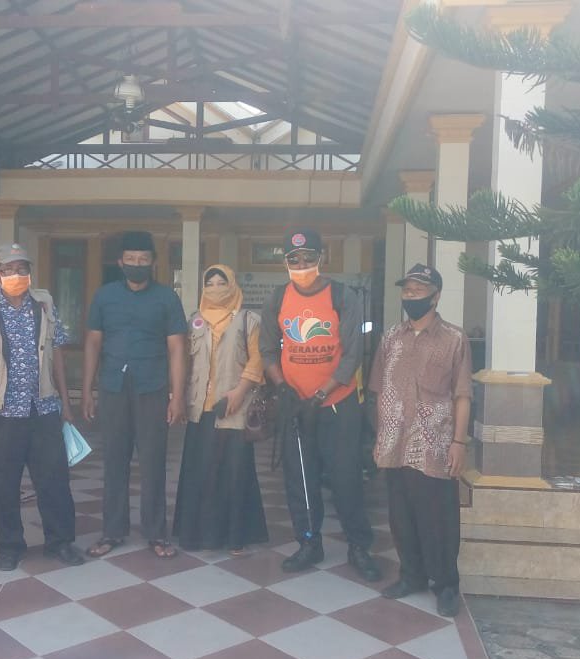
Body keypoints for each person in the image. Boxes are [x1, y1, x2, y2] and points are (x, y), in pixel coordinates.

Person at [259, 228, 380, 581]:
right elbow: (267, 350)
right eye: (294, 259)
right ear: (286, 262)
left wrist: (322, 395)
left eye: (308, 258)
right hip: (295, 406)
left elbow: (353, 355)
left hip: (337, 404)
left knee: (345, 478)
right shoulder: (277, 298)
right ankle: (309, 543)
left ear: (320, 258)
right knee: (300, 478)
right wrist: (282, 387)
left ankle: (359, 546)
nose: (301, 265)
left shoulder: (342, 296)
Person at [0, 243, 85, 570]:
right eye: (8, 269)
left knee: (54, 481)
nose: (16, 275)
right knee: (3, 483)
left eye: (22, 268)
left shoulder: (44, 304)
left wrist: (66, 404)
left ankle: (60, 542)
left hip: (43, 408)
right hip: (1, 412)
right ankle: (10, 545)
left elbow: (57, 354)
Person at [370, 264, 472, 617]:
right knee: (401, 516)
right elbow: (378, 389)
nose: (411, 295)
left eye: (418, 290)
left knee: (438, 519)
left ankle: (446, 585)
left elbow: (462, 395)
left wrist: (459, 443)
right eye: (407, 290)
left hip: (434, 445)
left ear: (435, 296)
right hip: (394, 443)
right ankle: (411, 575)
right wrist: (379, 436)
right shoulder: (390, 338)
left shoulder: (454, 339)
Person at [82, 231, 188, 560]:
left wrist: (177, 396)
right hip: (113, 386)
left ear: (153, 263)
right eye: (131, 260)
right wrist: (87, 390)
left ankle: (156, 533)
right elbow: (93, 343)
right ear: (120, 262)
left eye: (143, 260)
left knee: (153, 462)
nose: (137, 265)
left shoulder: (167, 298)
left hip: (152, 387)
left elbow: (177, 348)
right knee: (114, 461)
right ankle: (112, 531)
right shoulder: (104, 296)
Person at [173, 265, 269, 555]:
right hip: (200, 409)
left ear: (232, 285)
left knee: (234, 473)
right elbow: (184, 362)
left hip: (234, 408)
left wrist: (239, 392)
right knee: (201, 472)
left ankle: (235, 537)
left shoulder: (248, 320)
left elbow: (257, 359)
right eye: (210, 283)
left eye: (221, 283)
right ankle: (198, 536)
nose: (215, 288)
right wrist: (178, 397)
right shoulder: (195, 320)